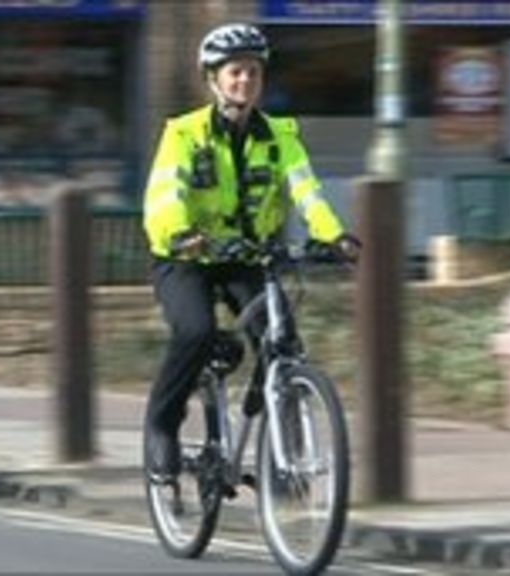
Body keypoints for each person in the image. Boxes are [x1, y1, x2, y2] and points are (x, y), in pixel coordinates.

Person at [141, 24, 361, 482]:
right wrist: (179, 233)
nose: (245, 80)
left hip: (247, 255)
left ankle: (287, 458)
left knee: (283, 341)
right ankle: (161, 426)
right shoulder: (184, 134)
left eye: (254, 72)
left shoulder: (281, 135)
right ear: (214, 79)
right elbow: (163, 197)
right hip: (185, 256)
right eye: (235, 71)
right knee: (197, 332)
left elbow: (307, 190)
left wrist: (334, 235)